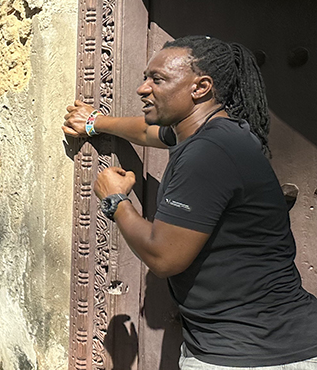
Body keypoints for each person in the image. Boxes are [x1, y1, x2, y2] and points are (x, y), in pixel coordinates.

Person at [63, 36, 317, 368]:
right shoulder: (216, 131)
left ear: (200, 88)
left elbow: (164, 257)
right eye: (145, 77)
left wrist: (116, 200)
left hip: (251, 356)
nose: (143, 88)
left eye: (157, 79)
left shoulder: (206, 154)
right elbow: (146, 132)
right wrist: (95, 123)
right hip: (269, 343)